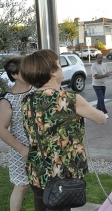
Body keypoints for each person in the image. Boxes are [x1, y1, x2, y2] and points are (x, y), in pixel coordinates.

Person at [20, 49, 106, 211]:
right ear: (52, 73)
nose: (61, 68)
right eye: (59, 65)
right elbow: (101, 119)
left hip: (38, 170)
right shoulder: (68, 98)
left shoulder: (27, 100)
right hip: (62, 173)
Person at [0, 57, 34, 211]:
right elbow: (1, 128)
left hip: (43, 147)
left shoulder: (38, 90)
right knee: (21, 186)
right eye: (26, 69)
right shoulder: (8, 100)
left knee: (47, 185)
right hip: (20, 151)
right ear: (14, 74)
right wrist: (21, 149)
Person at [91, 53, 110, 119]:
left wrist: (106, 75)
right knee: (101, 99)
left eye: (101, 58)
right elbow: (96, 76)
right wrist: (104, 75)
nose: (100, 59)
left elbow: (108, 73)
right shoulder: (94, 66)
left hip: (103, 84)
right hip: (96, 85)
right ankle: (105, 113)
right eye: (99, 58)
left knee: (100, 99)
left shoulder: (105, 65)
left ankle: (96, 112)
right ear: (96, 58)